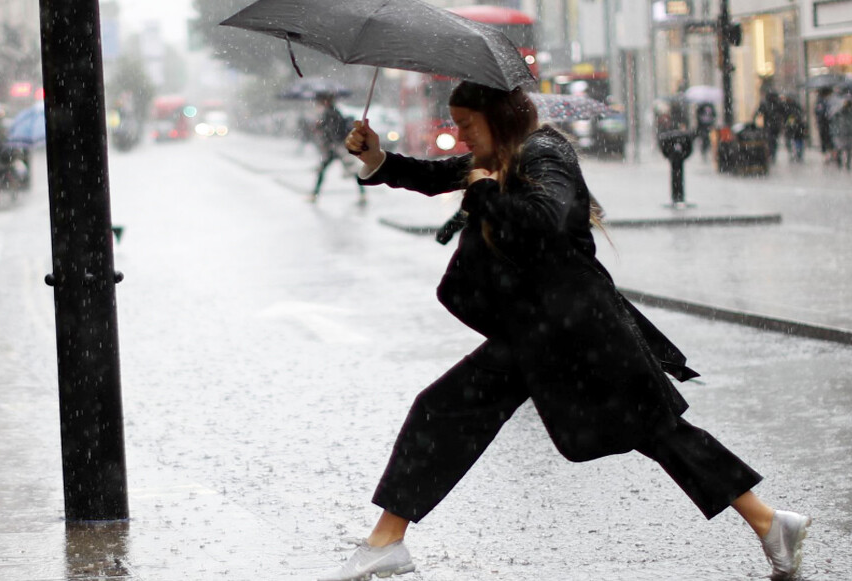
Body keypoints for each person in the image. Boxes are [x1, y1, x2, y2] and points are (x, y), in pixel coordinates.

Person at [325, 81, 812, 581]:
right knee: (450, 411)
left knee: (659, 431)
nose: (461, 134)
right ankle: (386, 540)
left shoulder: (544, 152)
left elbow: (549, 220)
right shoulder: (503, 153)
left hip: (581, 330)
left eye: (468, 123)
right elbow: (432, 175)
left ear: (498, 118)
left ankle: (770, 522)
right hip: (542, 327)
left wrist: (485, 192)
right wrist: (380, 158)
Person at [311, 92, 363, 203]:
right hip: (336, 147)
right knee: (324, 170)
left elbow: (333, 131)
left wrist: (321, 128)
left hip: (337, 147)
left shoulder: (331, 113)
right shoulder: (331, 112)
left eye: (320, 101)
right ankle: (314, 194)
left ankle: (314, 194)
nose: (319, 103)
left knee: (351, 170)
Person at [829, 91, 852, 169]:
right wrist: (842, 107)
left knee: (849, 148)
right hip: (839, 131)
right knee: (839, 147)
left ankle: (848, 164)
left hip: (849, 132)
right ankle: (839, 162)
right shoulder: (837, 109)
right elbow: (831, 116)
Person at [755, 90, 787, 162]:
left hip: (769, 125)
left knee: (770, 140)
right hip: (774, 125)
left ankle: (771, 154)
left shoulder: (766, 103)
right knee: (773, 141)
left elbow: (759, 112)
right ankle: (772, 154)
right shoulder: (778, 103)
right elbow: (784, 112)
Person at [781, 94, 807, 162]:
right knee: (795, 140)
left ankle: (796, 154)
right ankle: (796, 154)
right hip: (794, 127)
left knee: (794, 140)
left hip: (794, 127)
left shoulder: (788, 106)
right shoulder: (790, 106)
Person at [814, 88, 834, 163]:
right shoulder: (821, 102)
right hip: (825, 124)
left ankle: (829, 155)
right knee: (826, 140)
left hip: (826, 124)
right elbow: (820, 112)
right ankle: (827, 155)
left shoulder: (824, 101)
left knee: (827, 140)